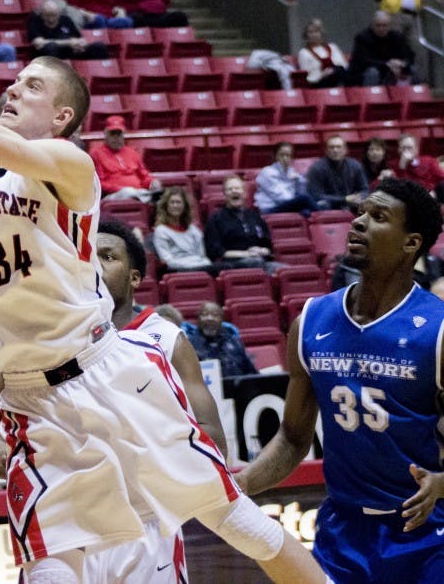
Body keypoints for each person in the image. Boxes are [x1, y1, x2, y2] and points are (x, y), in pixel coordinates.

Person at [0, 0, 327, 583]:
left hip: (106, 372)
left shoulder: (72, 166)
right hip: (31, 397)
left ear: (61, 115)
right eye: (14, 80)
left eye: (31, 86)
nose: (13, 89)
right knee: (48, 566)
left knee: (232, 517)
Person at [0, 219, 228, 580]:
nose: (95, 265)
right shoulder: (47, 338)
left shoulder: (165, 340)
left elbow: (213, 437)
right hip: (64, 519)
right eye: (89, 256)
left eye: (108, 257)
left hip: (146, 521)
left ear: (135, 278)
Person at [234, 178, 444, 584]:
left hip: (426, 536)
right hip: (341, 533)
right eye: (361, 212)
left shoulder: (437, 329)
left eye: (378, 217)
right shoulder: (311, 320)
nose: (359, 223)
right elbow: (293, 438)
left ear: (411, 243)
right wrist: (243, 481)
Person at [204, 175, 282, 274]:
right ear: (224, 195)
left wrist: (261, 250)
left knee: (287, 271)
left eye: (237, 188)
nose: (234, 191)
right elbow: (215, 252)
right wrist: (246, 254)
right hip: (233, 264)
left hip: (261, 261)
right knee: (255, 262)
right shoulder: (215, 219)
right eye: (230, 189)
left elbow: (268, 247)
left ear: (244, 193)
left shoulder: (254, 216)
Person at [89, 115, 161, 202]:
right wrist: (121, 188)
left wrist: (152, 182)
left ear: (123, 135)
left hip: (138, 191)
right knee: (129, 192)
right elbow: (98, 182)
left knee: (164, 195)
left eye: (118, 134)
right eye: (112, 133)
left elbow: (144, 176)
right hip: (112, 195)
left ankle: (147, 197)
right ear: (106, 134)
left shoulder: (132, 152)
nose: (116, 137)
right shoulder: (96, 153)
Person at [184, 301, 257, 378]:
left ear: (222, 319)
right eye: (205, 314)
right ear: (198, 319)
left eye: (215, 315)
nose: (210, 318)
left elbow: (251, 373)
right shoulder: (189, 345)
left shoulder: (234, 342)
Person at [152, 186, 215, 273]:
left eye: (178, 202)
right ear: (166, 206)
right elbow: (167, 261)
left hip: (199, 267)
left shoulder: (194, 230)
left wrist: (199, 264)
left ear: (184, 206)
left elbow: (202, 255)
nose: (175, 205)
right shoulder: (161, 231)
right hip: (178, 270)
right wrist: (194, 264)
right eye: (172, 202)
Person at [346, 10, 416, 86]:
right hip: (365, 73)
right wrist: (387, 65)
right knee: (373, 72)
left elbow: (409, 55)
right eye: (378, 25)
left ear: (389, 26)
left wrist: (402, 64)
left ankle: (415, 96)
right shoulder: (362, 38)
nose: (381, 28)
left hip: (391, 70)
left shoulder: (397, 37)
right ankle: (372, 96)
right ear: (372, 25)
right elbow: (363, 61)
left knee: (412, 69)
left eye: (384, 25)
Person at [27, 0, 110, 60]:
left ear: (59, 13)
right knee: (51, 47)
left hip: (71, 53)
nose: (51, 19)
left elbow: (79, 38)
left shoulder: (66, 20)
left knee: (99, 46)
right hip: (48, 57)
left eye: (54, 15)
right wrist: (68, 43)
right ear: (42, 14)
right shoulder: (35, 21)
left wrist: (80, 44)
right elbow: (39, 43)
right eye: (47, 15)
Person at [254, 142, 321, 216]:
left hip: (286, 205)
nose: (285, 158)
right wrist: (297, 200)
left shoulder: (291, 171)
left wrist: (298, 181)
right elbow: (281, 198)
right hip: (269, 209)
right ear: (275, 156)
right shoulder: (267, 172)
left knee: (309, 211)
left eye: (288, 155)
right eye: (282, 155)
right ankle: (323, 217)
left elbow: (301, 192)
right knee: (304, 199)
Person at [306, 135, 369, 211]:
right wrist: (345, 199)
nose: (335, 150)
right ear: (326, 151)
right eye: (331, 147)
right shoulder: (317, 168)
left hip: (353, 205)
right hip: (329, 207)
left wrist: (359, 197)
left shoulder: (355, 165)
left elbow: (365, 189)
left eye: (339, 147)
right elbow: (316, 195)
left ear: (345, 150)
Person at [297, 18, 348, 89]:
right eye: (310, 32)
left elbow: (343, 65)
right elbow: (306, 76)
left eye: (316, 31)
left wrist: (332, 71)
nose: (314, 34)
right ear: (306, 35)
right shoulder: (303, 53)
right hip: (318, 82)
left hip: (336, 75)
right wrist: (322, 75)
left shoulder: (333, 47)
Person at [394, 133, 444, 200]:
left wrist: (431, 189)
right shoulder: (394, 165)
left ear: (416, 149)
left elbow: (441, 177)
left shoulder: (429, 161)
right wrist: (402, 167)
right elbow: (402, 187)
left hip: (433, 195)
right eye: (403, 148)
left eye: (410, 148)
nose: (406, 151)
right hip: (412, 198)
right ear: (399, 150)